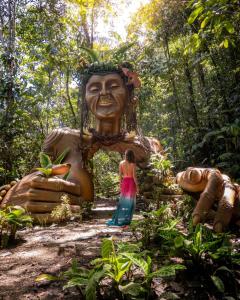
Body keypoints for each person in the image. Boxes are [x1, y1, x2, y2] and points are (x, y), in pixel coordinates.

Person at [107, 149, 139, 227]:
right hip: (131, 183)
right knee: (130, 202)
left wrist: (119, 185)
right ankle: (127, 220)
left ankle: (119, 219)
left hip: (124, 182)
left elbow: (120, 176)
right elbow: (134, 177)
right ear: (132, 156)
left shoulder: (121, 163)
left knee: (123, 201)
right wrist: (138, 187)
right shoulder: (133, 164)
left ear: (125, 155)